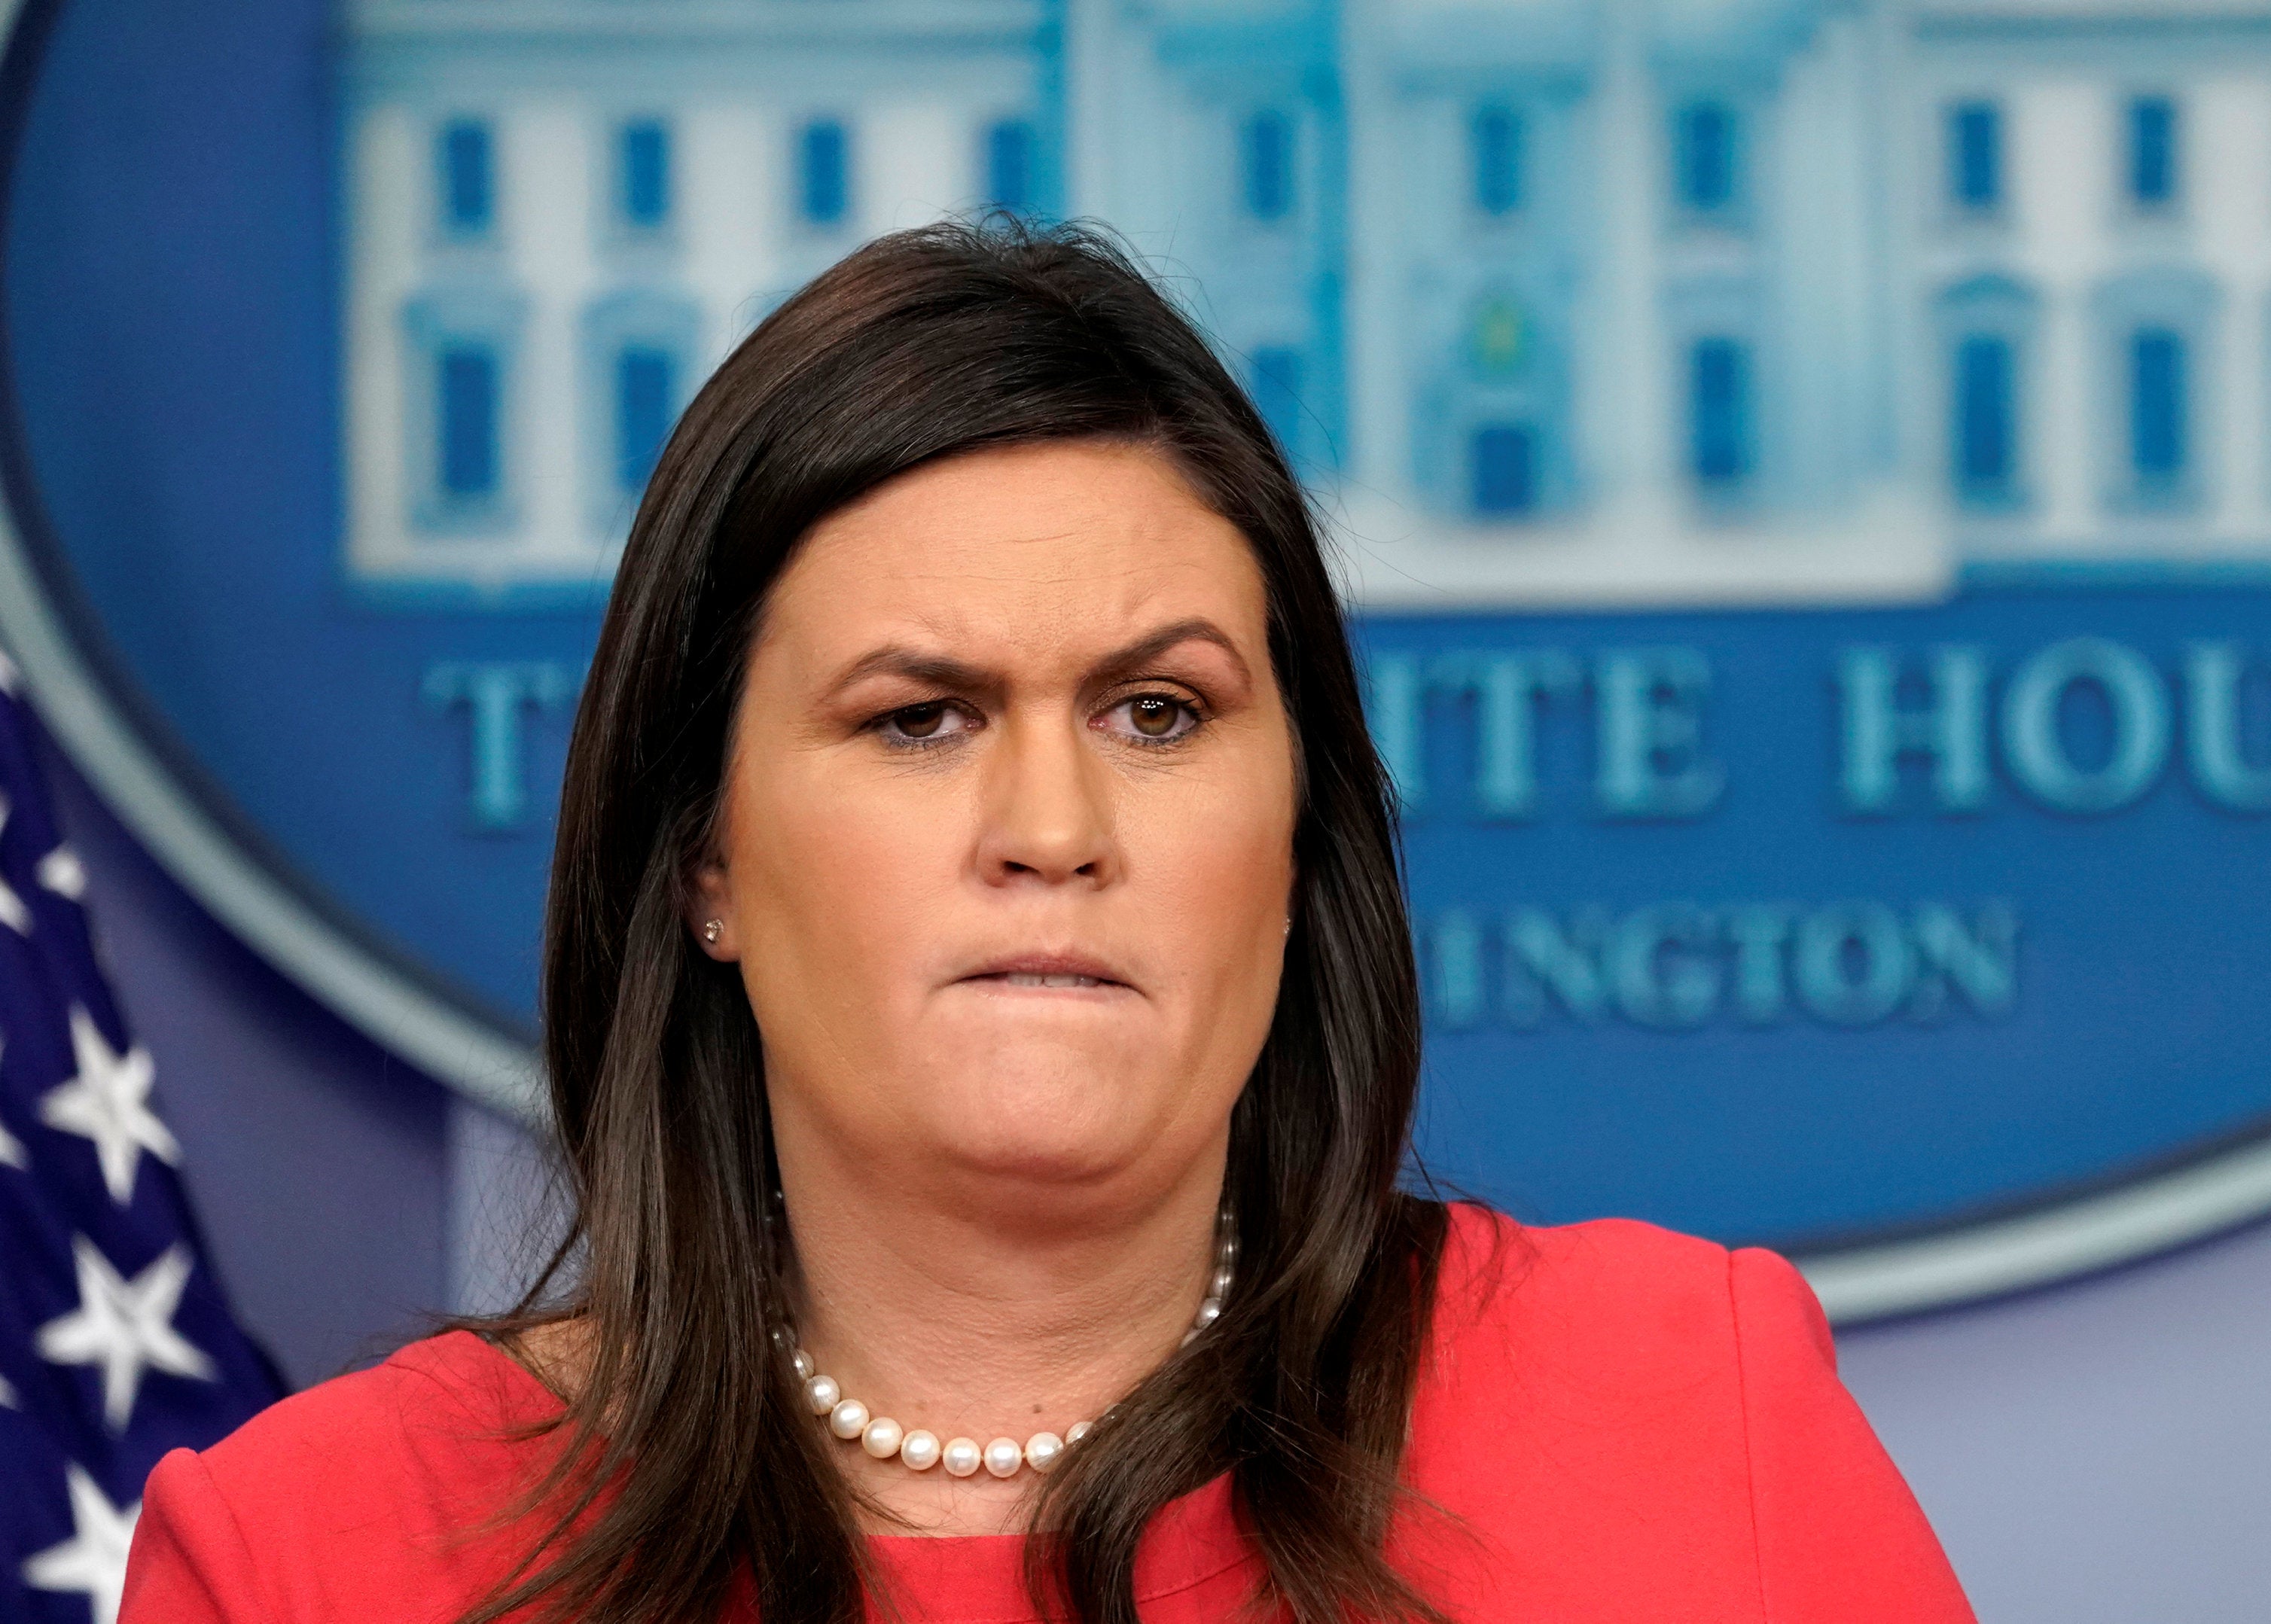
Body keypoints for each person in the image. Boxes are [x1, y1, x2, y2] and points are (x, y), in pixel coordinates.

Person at [120, 220, 1975, 1624]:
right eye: (916, 717)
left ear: (1297, 826)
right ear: (704, 860)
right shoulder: (320, 1550)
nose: (1054, 828)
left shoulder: (1685, 1403)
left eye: (1158, 712)